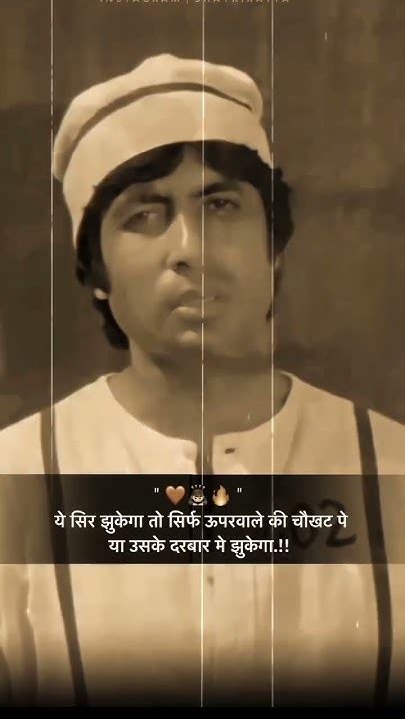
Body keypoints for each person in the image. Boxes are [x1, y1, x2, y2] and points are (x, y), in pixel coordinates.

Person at [0, 54, 404, 707]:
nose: (191, 247)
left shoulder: (390, 468)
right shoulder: (16, 480)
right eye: (144, 214)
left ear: (273, 246)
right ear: (96, 272)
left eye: (220, 204)